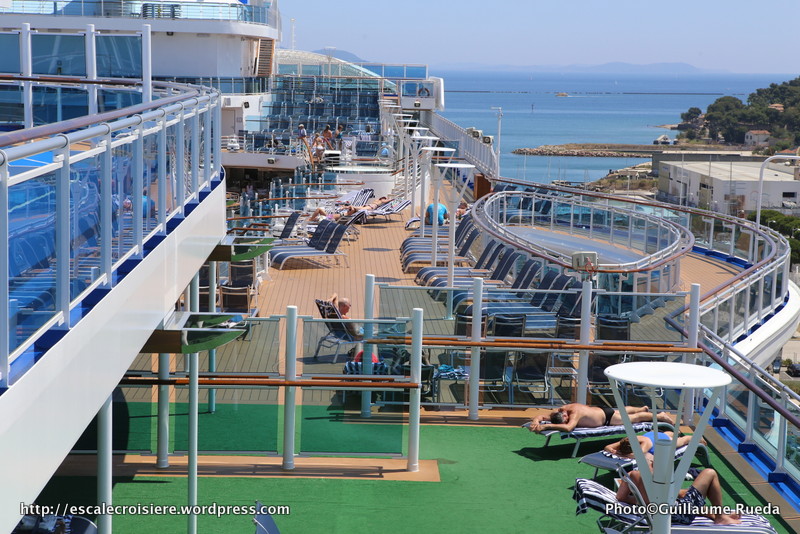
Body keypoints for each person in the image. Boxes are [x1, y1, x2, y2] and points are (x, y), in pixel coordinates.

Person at [617, 466, 741, 525]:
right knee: (710, 473)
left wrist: (639, 502)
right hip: (677, 515)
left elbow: (621, 497)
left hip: (661, 514)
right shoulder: (656, 477)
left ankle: (715, 514)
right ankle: (720, 517)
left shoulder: (632, 475)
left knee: (686, 499)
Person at [526, 403, 675, 434]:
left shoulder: (574, 413)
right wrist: (535, 421)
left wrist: (546, 426)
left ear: (565, 416)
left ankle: (659, 416)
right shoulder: (560, 410)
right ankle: (643, 407)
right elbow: (541, 415)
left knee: (635, 418)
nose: (567, 420)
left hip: (606, 418)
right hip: (601, 410)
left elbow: (569, 427)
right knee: (623, 411)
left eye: (566, 419)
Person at [604, 430, 701, 457]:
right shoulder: (626, 440)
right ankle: (675, 432)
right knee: (666, 434)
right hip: (652, 434)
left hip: (664, 442)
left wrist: (621, 454)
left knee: (684, 440)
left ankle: (699, 438)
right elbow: (607, 447)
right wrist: (612, 450)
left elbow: (639, 455)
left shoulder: (646, 444)